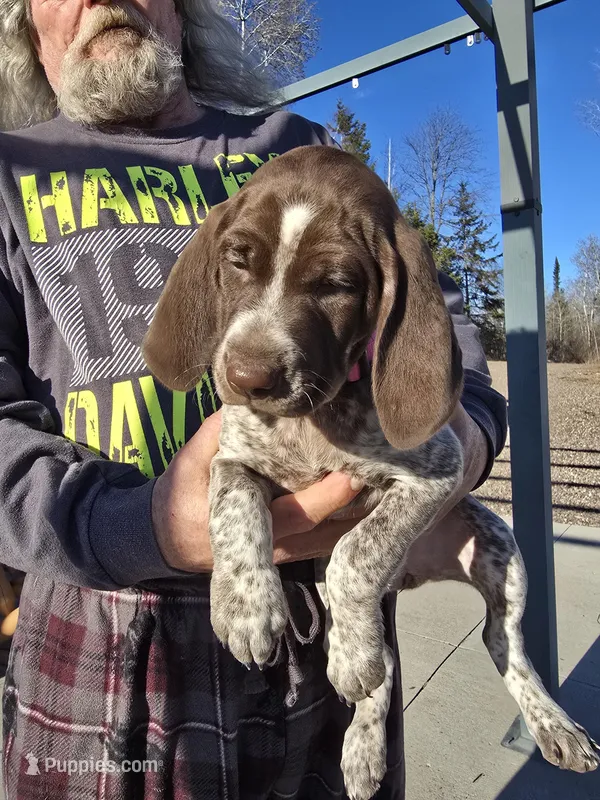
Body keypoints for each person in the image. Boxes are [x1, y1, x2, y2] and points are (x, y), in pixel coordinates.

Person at [0, 1, 507, 797]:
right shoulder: (6, 173)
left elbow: (438, 333)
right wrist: (147, 526)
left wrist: (460, 440)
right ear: (24, 26)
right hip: (101, 632)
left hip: (320, 624)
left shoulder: (299, 153)